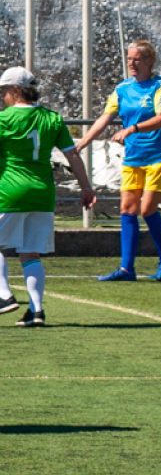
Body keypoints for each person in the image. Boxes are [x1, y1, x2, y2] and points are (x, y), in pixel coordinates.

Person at [0, 66, 97, 326]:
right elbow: (72, 155)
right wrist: (86, 187)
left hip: (10, 190)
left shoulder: (4, 119)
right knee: (30, 253)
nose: (2, 97)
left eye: (3, 92)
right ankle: (36, 310)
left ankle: (4, 295)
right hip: (42, 192)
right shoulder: (52, 119)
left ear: (14, 90)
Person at [76, 39, 161, 281]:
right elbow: (105, 117)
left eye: (137, 59)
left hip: (158, 156)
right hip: (133, 157)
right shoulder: (122, 89)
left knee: (147, 208)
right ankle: (126, 268)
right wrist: (82, 142)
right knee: (127, 209)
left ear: (149, 61)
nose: (131, 63)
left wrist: (132, 129)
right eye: (129, 59)